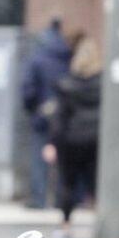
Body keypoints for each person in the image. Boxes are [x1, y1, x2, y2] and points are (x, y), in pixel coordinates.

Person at [44, 32, 101, 238]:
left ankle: (66, 226)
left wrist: (52, 143)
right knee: (96, 184)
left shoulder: (67, 84)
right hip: (96, 141)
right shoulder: (104, 85)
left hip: (71, 141)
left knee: (68, 183)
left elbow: (59, 118)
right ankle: (100, 225)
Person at [20, 19, 73, 209]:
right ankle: (61, 199)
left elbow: (28, 89)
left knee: (39, 158)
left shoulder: (38, 58)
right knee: (62, 160)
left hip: (42, 114)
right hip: (64, 115)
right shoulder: (69, 57)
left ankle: (39, 198)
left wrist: (32, 108)